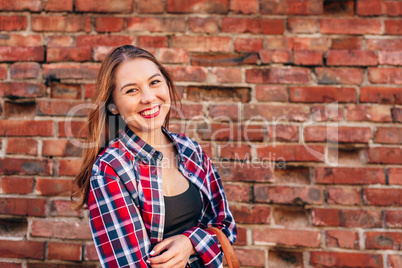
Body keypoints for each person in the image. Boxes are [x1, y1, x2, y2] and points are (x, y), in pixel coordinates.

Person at [72, 45, 237, 268]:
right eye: (132, 90)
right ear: (113, 106)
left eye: (154, 82)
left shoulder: (191, 150)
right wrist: (202, 248)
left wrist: (191, 242)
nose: (149, 97)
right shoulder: (111, 168)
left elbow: (225, 226)